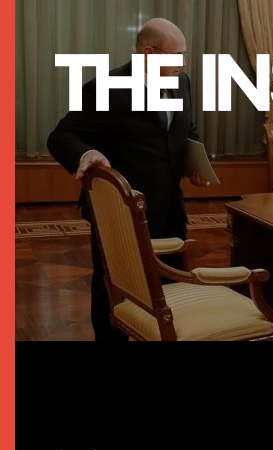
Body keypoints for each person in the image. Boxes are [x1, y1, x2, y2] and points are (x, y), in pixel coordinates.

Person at [47, 17, 209, 341]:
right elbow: (62, 136)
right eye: (178, 55)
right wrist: (88, 153)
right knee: (114, 289)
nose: (183, 64)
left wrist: (196, 162)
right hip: (121, 213)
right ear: (148, 53)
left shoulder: (182, 82)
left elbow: (183, 130)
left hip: (170, 208)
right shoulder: (107, 87)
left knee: (169, 286)